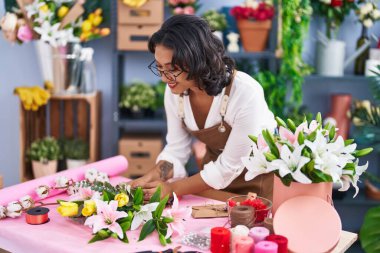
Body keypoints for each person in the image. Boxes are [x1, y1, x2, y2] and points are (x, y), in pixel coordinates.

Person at [129, 14, 276, 201]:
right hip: (211, 184)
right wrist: (151, 176)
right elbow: (176, 150)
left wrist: (171, 188)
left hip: (257, 186)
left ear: (197, 61)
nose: (165, 78)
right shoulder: (176, 92)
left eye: (172, 69)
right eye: (159, 67)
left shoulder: (245, 93)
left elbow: (227, 167)